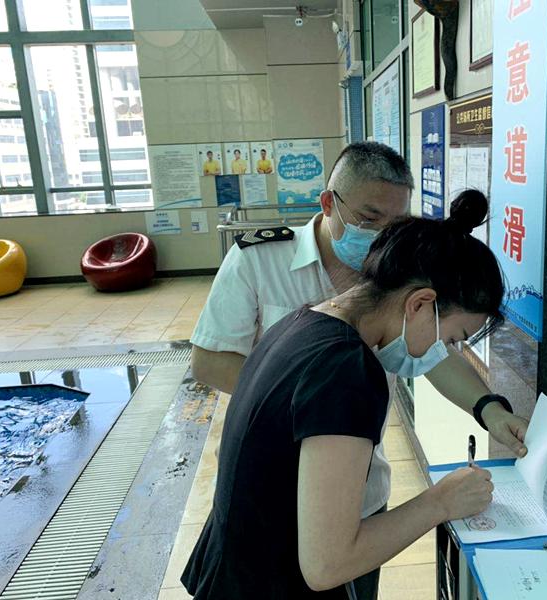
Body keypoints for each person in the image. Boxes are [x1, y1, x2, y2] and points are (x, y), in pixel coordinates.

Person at [190, 142, 527, 599]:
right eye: (451, 338)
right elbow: (327, 565)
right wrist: (441, 501)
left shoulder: (310, 319)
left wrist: (488, 407)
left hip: (245, 562)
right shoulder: (346, 369)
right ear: (420, 303)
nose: (442, 350)